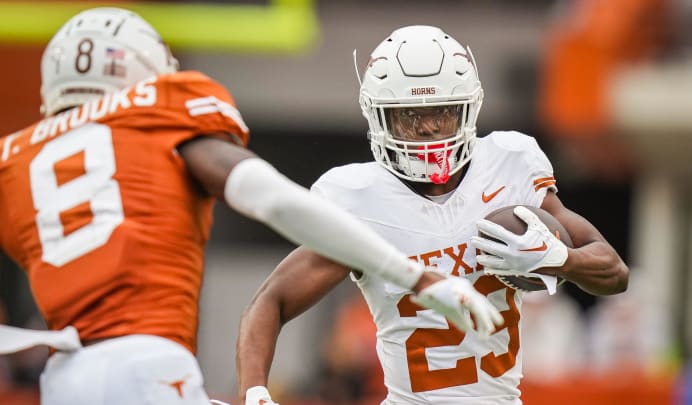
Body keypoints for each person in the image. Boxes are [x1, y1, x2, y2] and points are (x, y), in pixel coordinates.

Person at [0, 10, 504, 405]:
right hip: (147, 360)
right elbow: (267, 195)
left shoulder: (15, 157)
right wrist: (415, 277)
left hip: (63, 375)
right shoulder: (158, 115)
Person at [237, 25, 629, 405]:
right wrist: (253, 391)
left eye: (440, 113)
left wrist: (562, 258)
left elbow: (614, 273)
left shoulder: (509, 166)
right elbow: (271, 301)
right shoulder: (359, 199)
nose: (427, 128)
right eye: (409, 116)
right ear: (379, 117)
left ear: (467, 109)